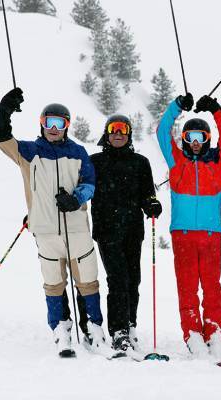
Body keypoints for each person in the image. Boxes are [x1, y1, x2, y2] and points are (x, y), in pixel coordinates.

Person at [0, 88, 106, 357]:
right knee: (54, 282)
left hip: (77, 228)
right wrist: (4, 111)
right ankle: (60, 329)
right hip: (45, 231)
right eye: (49, 122)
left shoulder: (78, 152)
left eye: (60, 123)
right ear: (42, 124)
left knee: (88, 281)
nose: (54, 128)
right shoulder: (29, 152)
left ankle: (94, 328)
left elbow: (90, 183)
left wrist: (76, 198)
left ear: (67, 126)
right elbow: (2, 138)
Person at [156, 92, 221, 359]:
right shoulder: (176, 162)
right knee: (187, 287)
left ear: (208, 139)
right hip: (184, 235)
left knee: (212, 287)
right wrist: (177, 107)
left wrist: (216, 109)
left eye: (201, 137)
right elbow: (162, 130)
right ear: (184, 140)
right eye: (190, 137)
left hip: (211, 236)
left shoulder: (218, 163)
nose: (196, 142)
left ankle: (213, 332)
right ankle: (193, 334)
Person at [86, 114, 162, 354]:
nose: (118, 134)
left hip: (132, 229)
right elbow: (82, 187)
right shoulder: (94, 161)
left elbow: (148, 194)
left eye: (123, 131)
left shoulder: (140, 162)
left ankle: (130, 325)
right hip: (107, 230)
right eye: (113, 130)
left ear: (129, 135)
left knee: (133, 280)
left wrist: (152, 204)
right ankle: (118, 331)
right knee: (117, 279)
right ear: (106, 134)